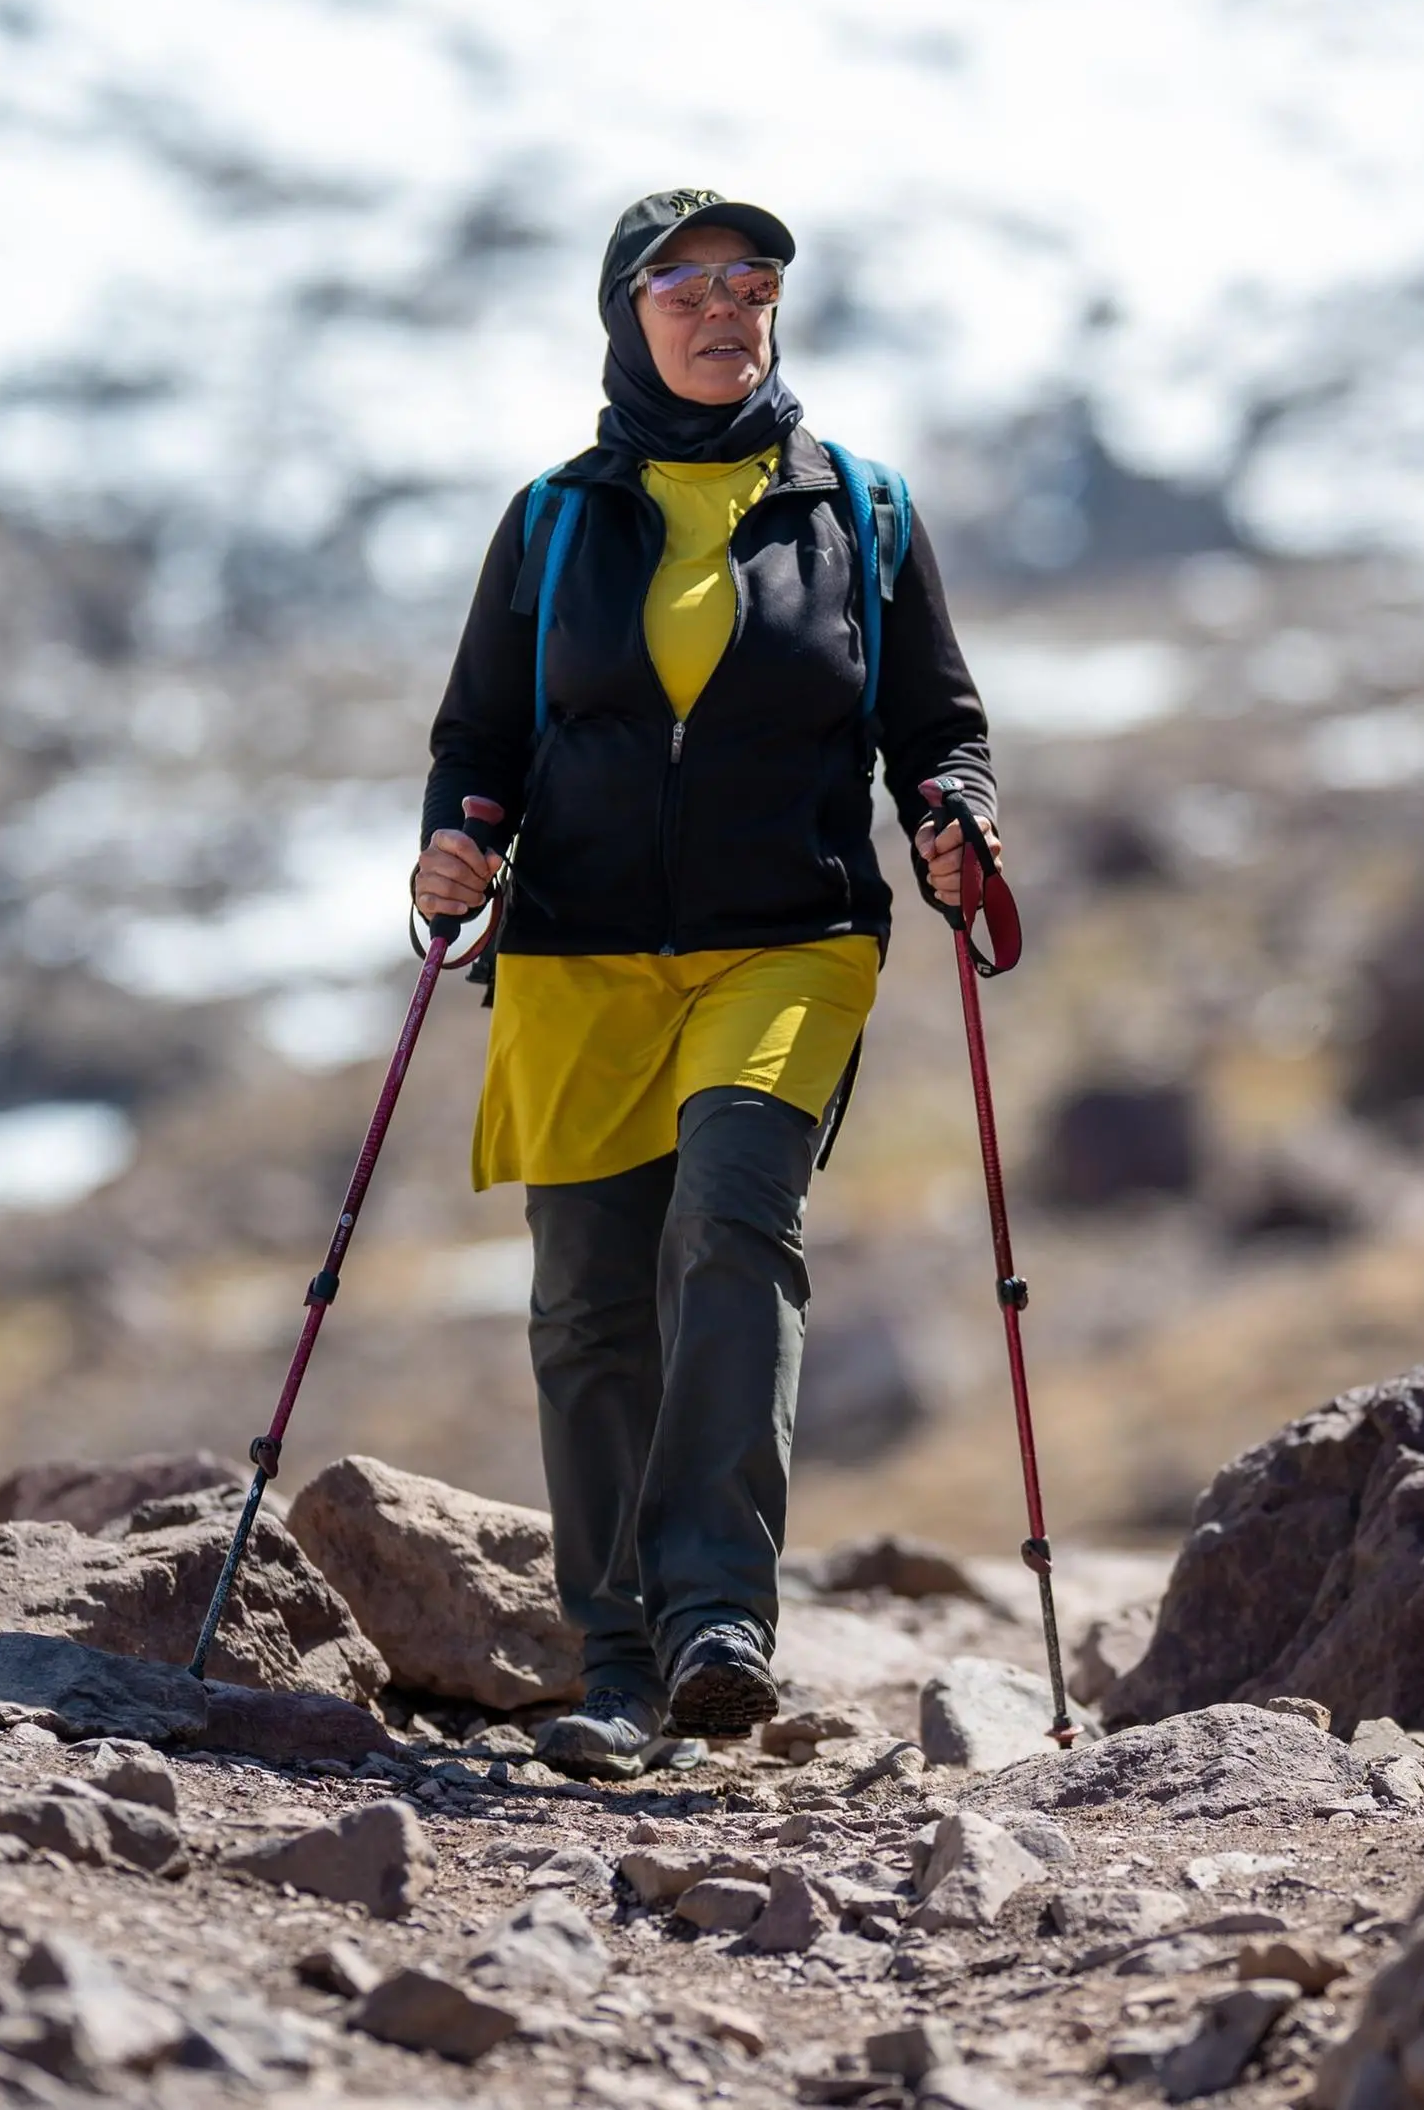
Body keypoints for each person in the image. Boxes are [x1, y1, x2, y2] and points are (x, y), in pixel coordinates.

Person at [411, 188, 999, 1777]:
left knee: (735, 1214)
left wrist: (954, 817)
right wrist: (449, 855)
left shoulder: (857, 510)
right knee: (594, 1308)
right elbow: (477, 744)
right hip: (576, 959)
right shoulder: (552, 521)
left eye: (755, 283)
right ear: (628, 314)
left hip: (787, 940)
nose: (730, 309)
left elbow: (935, 723)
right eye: (690, 288)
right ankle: (615, 1665)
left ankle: (716, 1616)